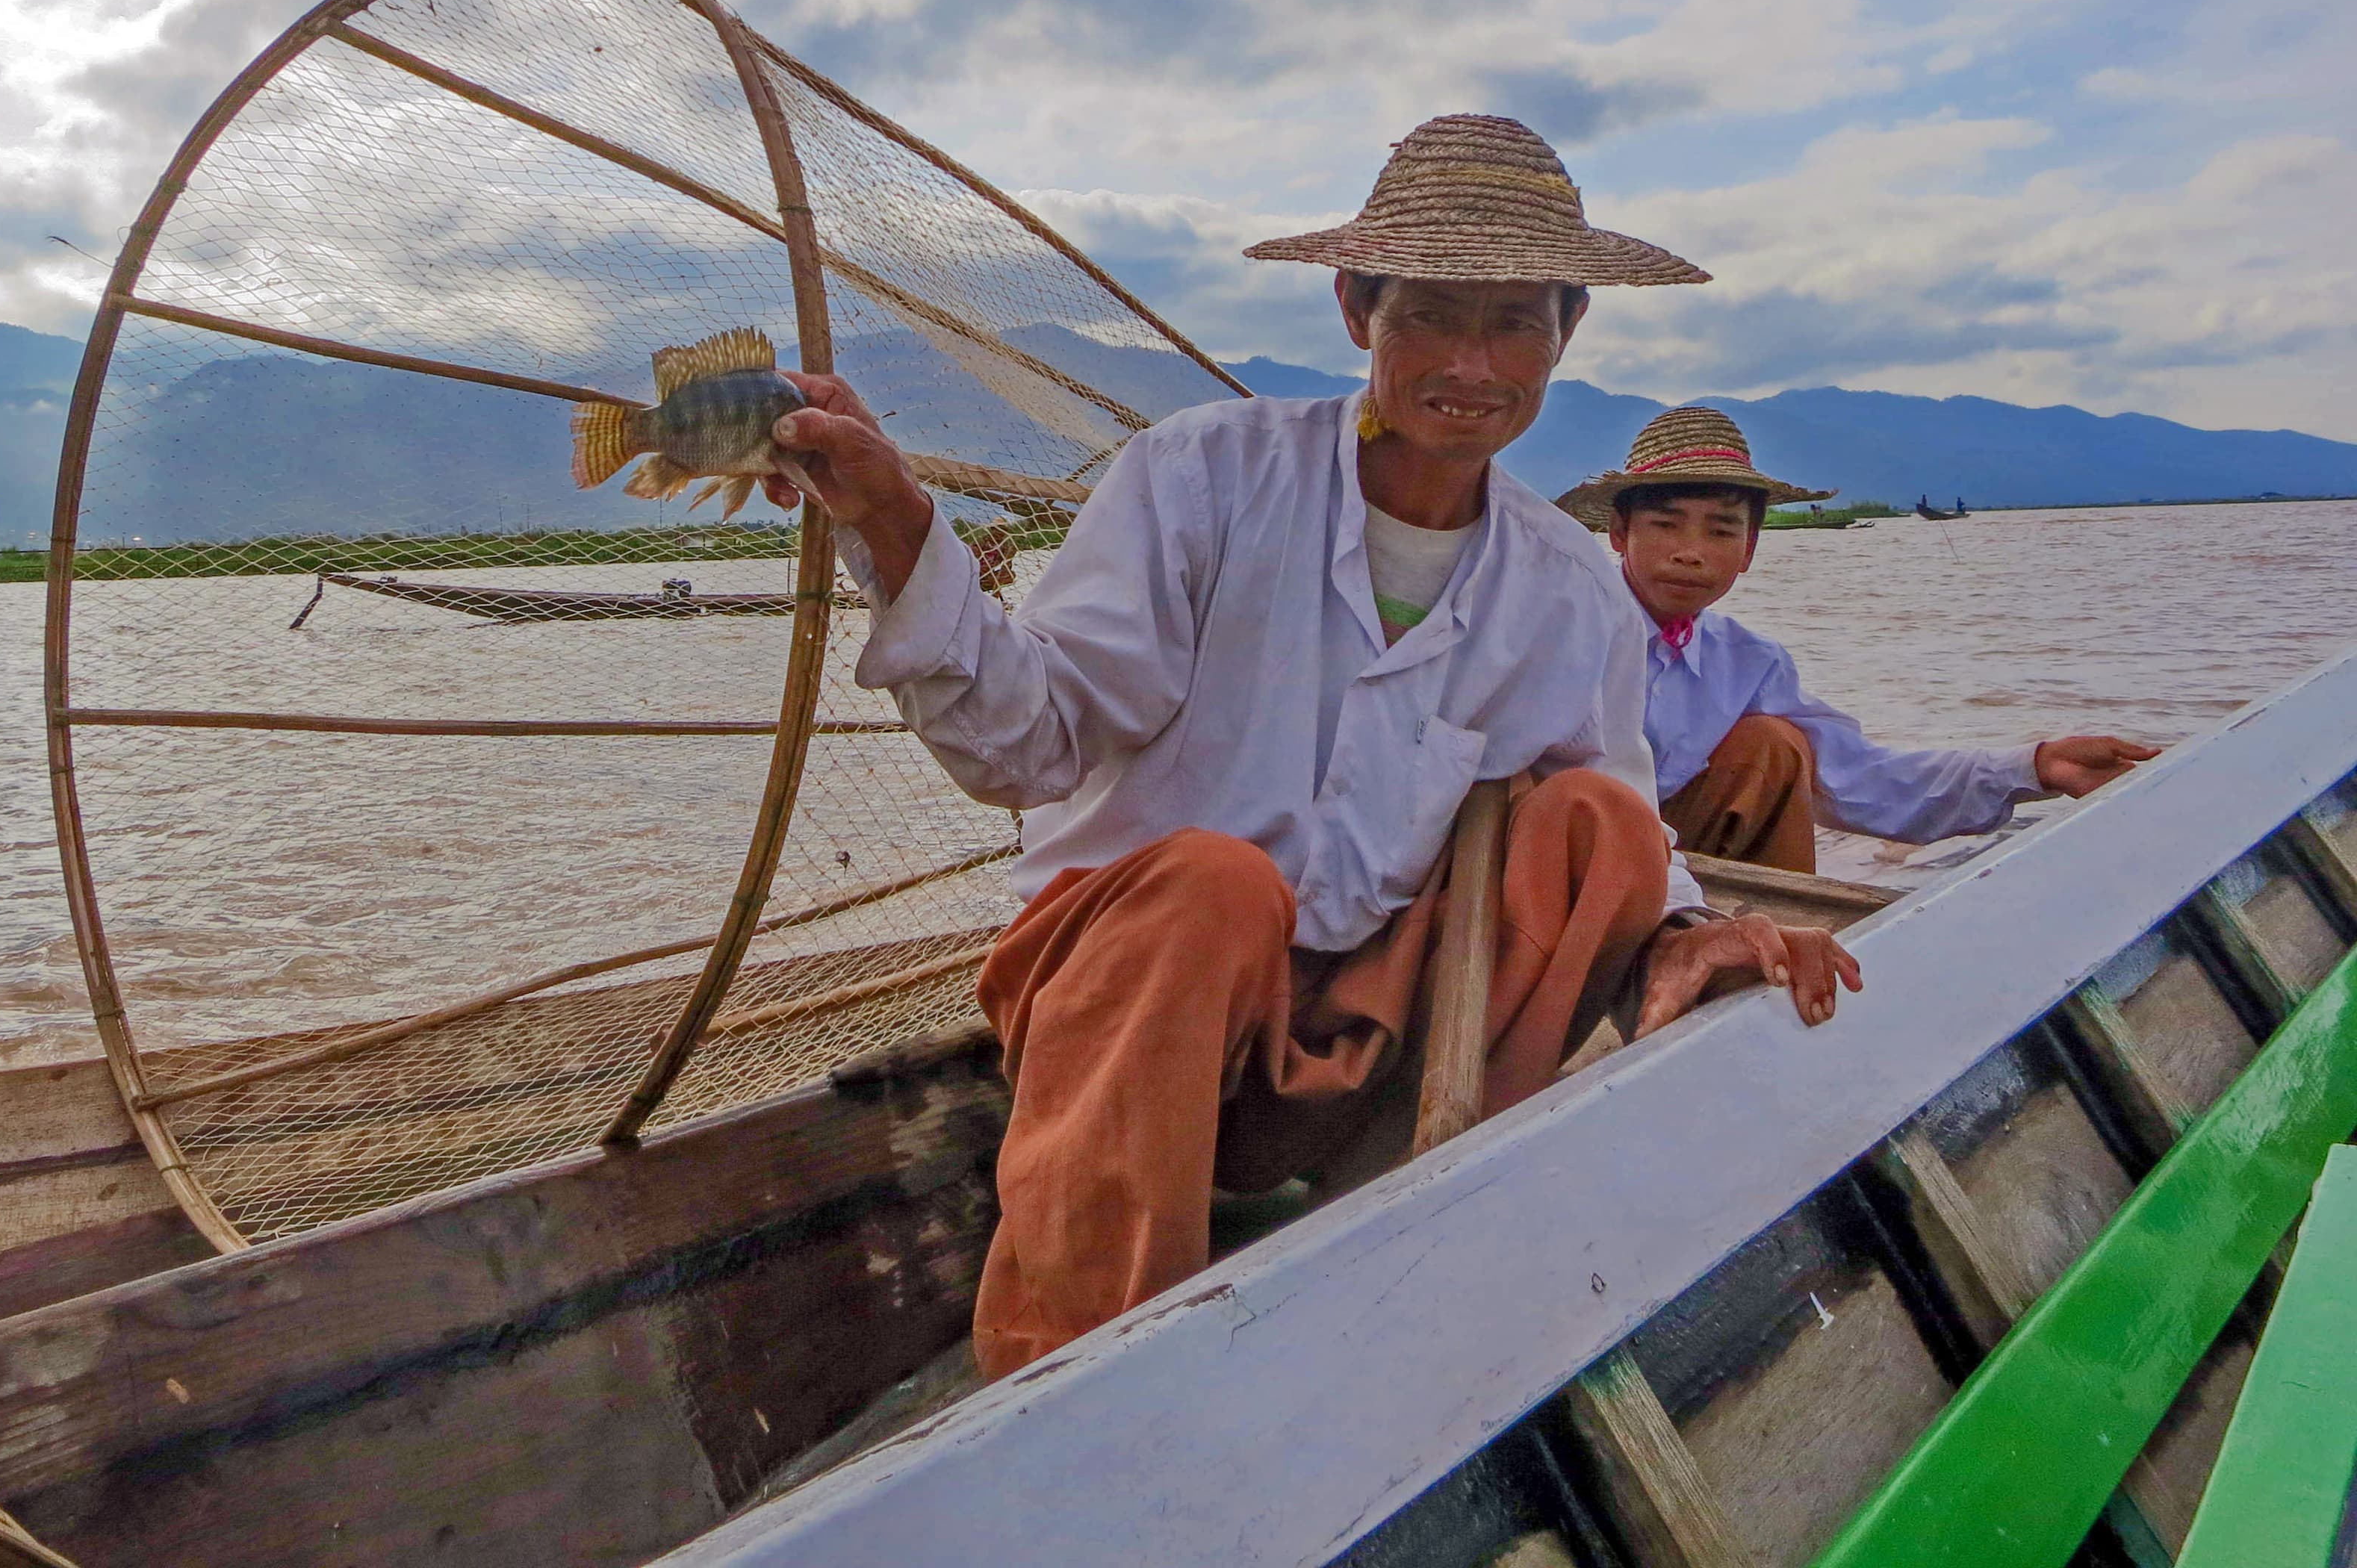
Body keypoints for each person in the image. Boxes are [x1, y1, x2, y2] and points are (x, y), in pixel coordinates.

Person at [760, 115, 1862, 1378]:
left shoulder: (1566, 585)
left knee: (1599, 831)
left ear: (1569, 334)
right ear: (1355, 312)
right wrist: (898, 526)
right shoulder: (1203, 479)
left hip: (1352, 1043)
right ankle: (1071, 1377)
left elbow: (1617, 796)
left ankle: (1418, 1244)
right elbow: (1028, 746)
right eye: (1429, 317)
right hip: (1130, 1011)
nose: (1471, 364)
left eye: (1516, 325)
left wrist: (1685, 930)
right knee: (1215, 882)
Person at [1558, 407, 2158, 873]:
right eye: (1665, 524)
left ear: (1749, 550)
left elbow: (1860, 777)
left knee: (1777, 747)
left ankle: (1767, 963)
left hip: (1665, 863)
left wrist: (2035, 765)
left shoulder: (1749, 664)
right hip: (1553, 858)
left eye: (1720, 530)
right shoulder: (1559, 622)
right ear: (1617, 532)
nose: (1691, 552)